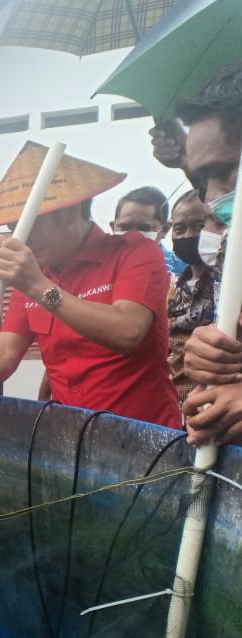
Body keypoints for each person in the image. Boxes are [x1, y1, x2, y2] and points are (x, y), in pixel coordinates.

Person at [0, 142, 180, 429]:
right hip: (72, 438)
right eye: (13, 228)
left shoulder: (136, 252)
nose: (20, 238)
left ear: (69, 212)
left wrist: (40, 288)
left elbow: (128, 332)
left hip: (145, 437)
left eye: (28, 225)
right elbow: (4, 354)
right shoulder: (33, 276)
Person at [172, 62, 241, 445]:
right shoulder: (234, 260)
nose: (211, 200)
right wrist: (209, 352)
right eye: (202, 180)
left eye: (224, 171)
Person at [167, 190, 225, 406]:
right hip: (177, 408)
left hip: (219, 403)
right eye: (179, 229)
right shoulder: (172, 290)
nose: (187, 236)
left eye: (199, 227)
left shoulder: (227, 287)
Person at [109, 186, 185, 277]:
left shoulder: (184, 271)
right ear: (113, 227)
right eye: (124, 227)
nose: (132, 237)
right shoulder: (98, 269)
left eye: (144, 228)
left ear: (165, 230)